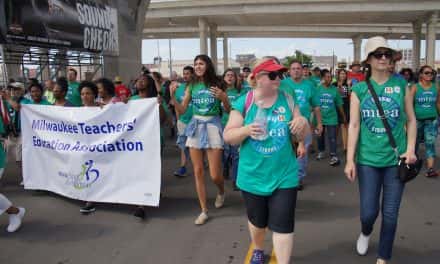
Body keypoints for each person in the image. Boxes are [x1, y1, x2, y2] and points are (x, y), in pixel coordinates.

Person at [223, 58, 309, 264]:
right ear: (257, 78)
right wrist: (245, 129)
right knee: (258, 222)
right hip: (252, 175)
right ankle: (259, 248)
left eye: (280, 74)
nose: (278, 78)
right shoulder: (244, 102)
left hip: (284, 174)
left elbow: (301, 135)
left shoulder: (288, 100)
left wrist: (302, 122)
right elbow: (228, 136)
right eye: (272, 75)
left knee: (283, 224)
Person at [344, 36, 417, 264]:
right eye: (378, 54)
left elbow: (411, 120)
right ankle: (366, 231)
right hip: (367, 161)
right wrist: (350, 160)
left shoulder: (400, 85)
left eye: (387, 54)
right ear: (369, 60)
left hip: (396, 159)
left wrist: (411, 149)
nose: (384, 58)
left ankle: (383, 257)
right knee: (368, 212)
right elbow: (354, 125)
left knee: (391, 214)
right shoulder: (359, 89)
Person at [170, 55, 229, 225]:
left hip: (213, 126)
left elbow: (228, 109)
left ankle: (221, 191)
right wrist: (173, 97)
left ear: (207, 65)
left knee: (215, 174)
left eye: (201, 63)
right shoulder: (191, 85)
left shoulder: (217, 83)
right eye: (195, 64)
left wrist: (224, 97)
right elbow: (181, 110)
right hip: (196, 126)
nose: (197, 66)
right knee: (197, 171)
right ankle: (204, 210)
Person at [279, 60, 322, 190]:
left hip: (304, 124)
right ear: (289, 71)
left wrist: (320, 123)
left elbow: (316, 106)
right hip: (285, 123)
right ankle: (285, 175)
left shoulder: (309, 86)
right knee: (285, 150)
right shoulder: (282, 84)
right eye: (293, 68)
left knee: (302, 151)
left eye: (298, 68)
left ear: (302, 71)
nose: (296, 71)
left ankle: (298, 178)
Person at [130, 73, 168, 219]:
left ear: (150, 84)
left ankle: (145, 199)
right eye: (138, 79)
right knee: (138, 171)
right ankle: (141, 202)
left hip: (153, 140)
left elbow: (163, 119)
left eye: (143, 80)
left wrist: (159, 105)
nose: (139, 81)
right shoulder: (131, 100)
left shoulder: (155, 100)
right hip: (135, 143)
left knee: (149, 170)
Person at [411, 65, 439, 177]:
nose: (429, 75)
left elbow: (437, 103)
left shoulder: (436, 87)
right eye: (426, 73)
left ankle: (430, 169)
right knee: (414, 143)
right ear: (421, 74)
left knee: (430, 144)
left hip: (432, 120)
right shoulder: (415, 87)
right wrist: (409, 120)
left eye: (431, 73)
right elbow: (409, 105)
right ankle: (411, 165)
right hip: (417, 120)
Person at [316, 69, 346, 166]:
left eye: (330, 77)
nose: (329, 79)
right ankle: (321, 151)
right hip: (320, 118)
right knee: (320, 136)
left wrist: (344, 116)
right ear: (323, 78)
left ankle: (333, 155)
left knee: (332, 137)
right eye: (327, 77)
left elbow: (340, 104)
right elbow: (313, 103)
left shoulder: (334, 90)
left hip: (332, 118)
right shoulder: (317, 89)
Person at [78, 81, 100, 215]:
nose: (85, 96)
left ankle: (93, 199)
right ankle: (89, 200)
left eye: (88, 93)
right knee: (86, 173)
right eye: (82, 94)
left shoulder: (102, 110)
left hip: (100, 149)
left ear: (94, 95)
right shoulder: (76, 112)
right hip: (83, 149)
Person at [221, 69, 242, 189]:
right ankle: (225, 166)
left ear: (236, 78)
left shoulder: (241, 92)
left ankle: (236, 179)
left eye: (232, 75)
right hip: (223, 124)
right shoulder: (220, 92)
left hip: (236, 126)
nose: (230, 77)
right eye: (227, 75)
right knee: (224, 152)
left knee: (236, 153)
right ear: (224, 78)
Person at [173, 66, 194, 178]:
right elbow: (177, 106)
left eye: (188, 73)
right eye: (184, 73)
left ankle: (200, 164)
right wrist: (178, 120)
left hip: (196, 122)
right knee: (183, 146)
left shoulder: (196, 87)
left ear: (192, 75)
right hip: (183, 121)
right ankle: (183, 168)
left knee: (197, 146)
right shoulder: (179, 88)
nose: (185, 76)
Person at [333, 69, 351, 150]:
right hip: (336, 107)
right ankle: (334, 142)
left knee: (345, 125)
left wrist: (349, 85)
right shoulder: (334, 84)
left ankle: (345, 146)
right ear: (338, 75)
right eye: (341, 74)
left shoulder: (348, 83)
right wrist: (339, 87)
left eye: (344, 74)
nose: (343, 75)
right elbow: (334, 95)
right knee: (336, 126)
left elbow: (350, 95)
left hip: (346, 106)